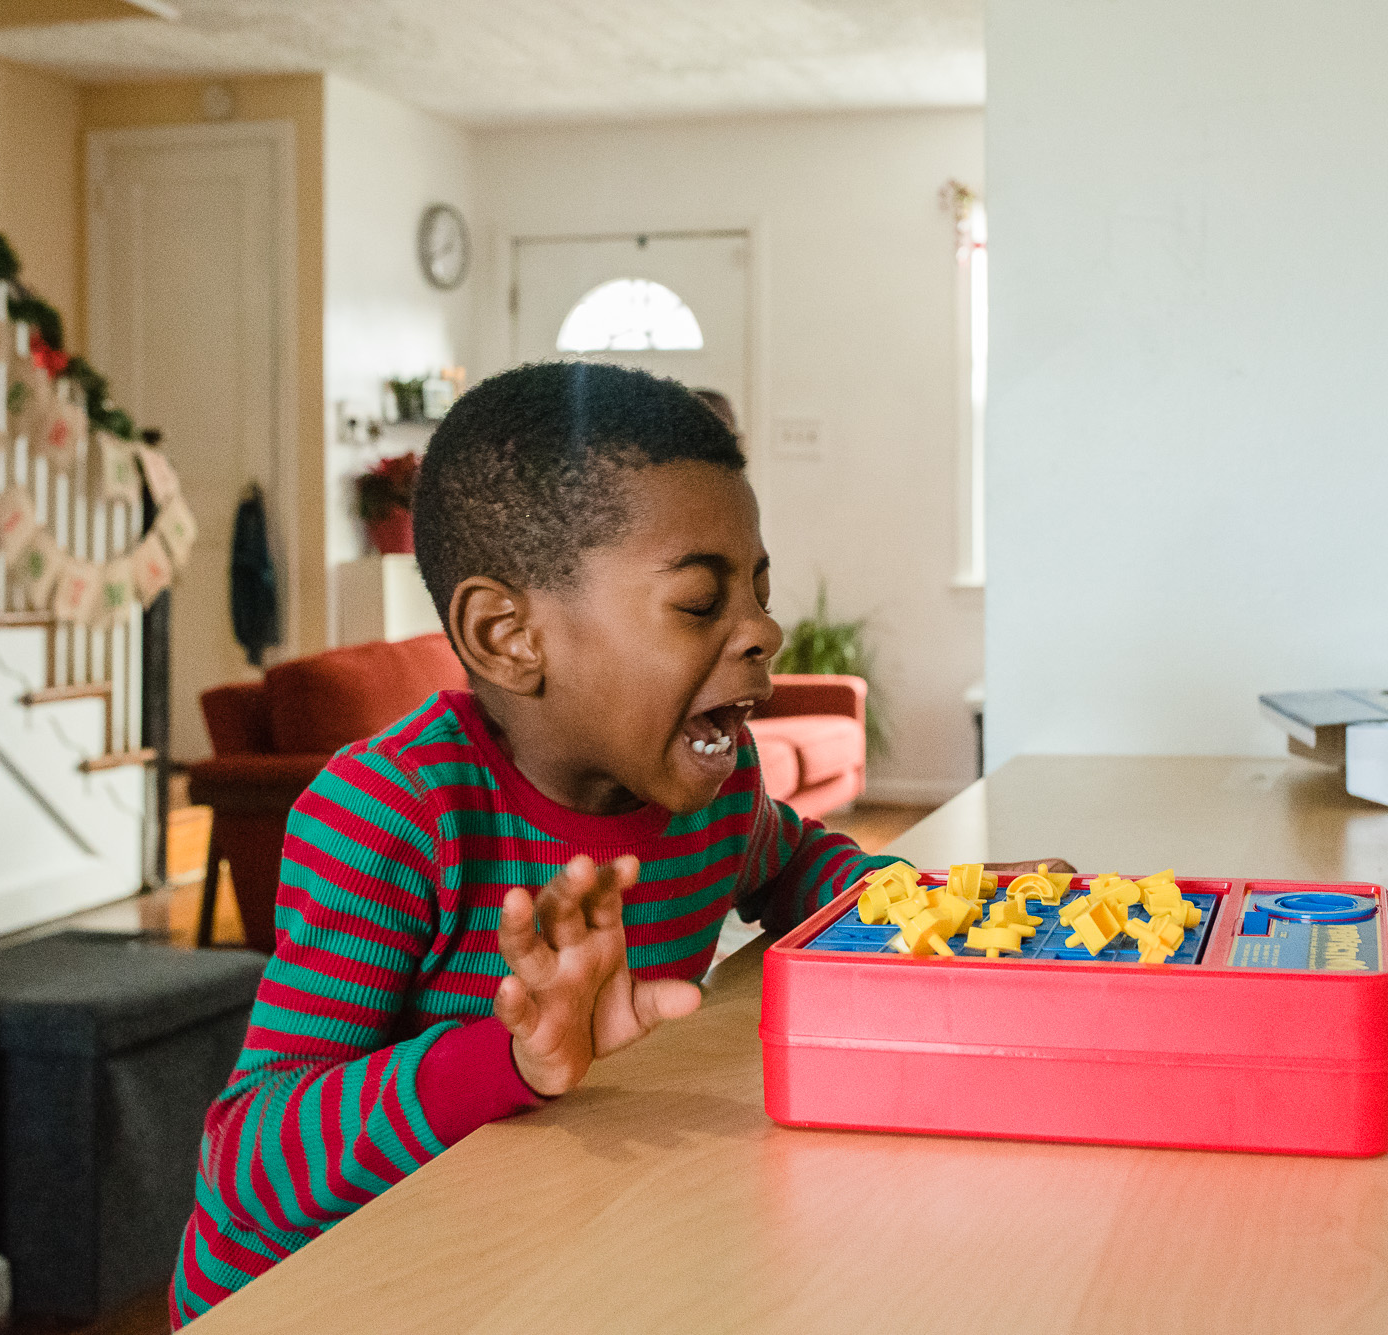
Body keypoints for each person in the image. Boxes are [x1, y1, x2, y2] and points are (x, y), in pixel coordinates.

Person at [169, 362, 1067, 1324]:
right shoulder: (391, 817)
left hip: (527, 1249)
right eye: (698, 601)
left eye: (757, 591)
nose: (764, 629)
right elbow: (244, 1165)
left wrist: (939, 905)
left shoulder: (712, 787)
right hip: (314, 1293)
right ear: (509, 634)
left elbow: (794, 862)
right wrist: (505, 1058)